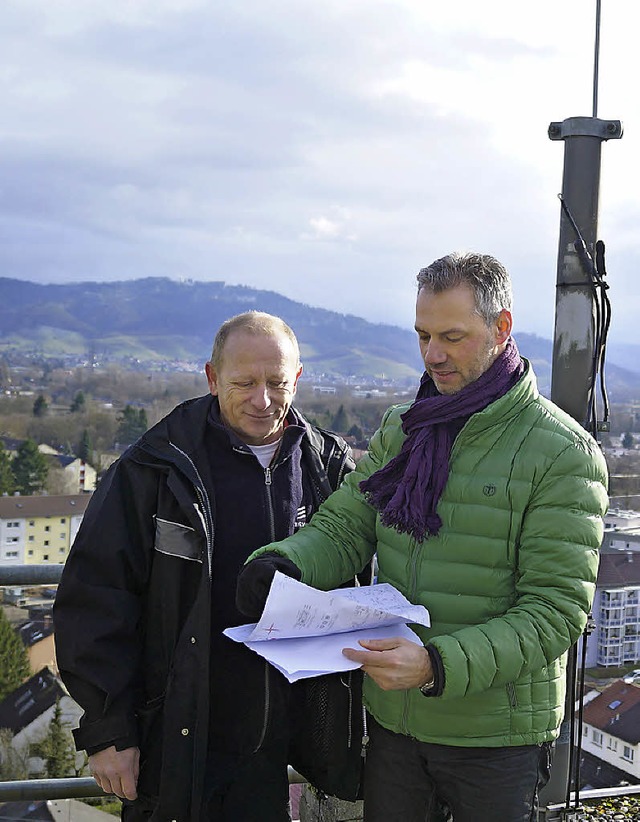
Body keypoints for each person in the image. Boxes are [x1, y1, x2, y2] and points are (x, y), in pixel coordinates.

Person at [237, 252, 609, 822]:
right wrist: (283, 566)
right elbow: (347, 525)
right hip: (397, 723)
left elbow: (556, 612)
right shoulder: (405, 427)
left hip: (496, 740)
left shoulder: (562, 453)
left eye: (452, 337)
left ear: (501, 328)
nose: (433, 355)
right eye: (423, 336)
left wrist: (437, 664)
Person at [53, 311, 355, 822]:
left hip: (279, 743)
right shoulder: (154, 469)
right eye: (244, 382)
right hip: (178, 742)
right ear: (213, 377)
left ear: (298, 379)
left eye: (277, 383)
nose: (263, 400)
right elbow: (94, 601)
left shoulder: (324, 466)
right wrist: (109, 733)